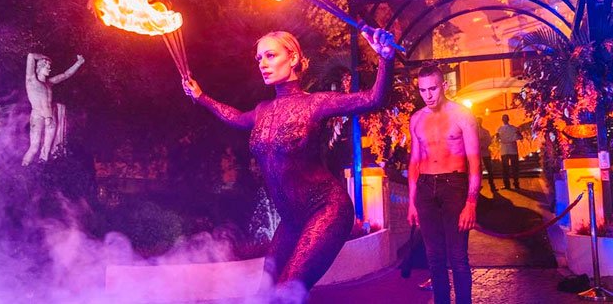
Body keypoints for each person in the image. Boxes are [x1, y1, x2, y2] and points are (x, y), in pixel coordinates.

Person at [182, 28, 395, 298]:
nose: (262, 63)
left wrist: (386, 59)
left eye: (270, 55)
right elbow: (234, 117)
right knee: (265, 292)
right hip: (292, 220)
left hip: (326, 209)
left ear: (293, 58)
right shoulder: (262, 111)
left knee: (284, 293)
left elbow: (373, 98)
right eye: (259, 58)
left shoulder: (316, 104)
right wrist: (200, 97)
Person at [406, 63, 481, 304]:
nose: (428, 95)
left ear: (444, 86)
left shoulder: (462, 115)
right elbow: (415, 162)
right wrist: (412, 202)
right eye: (423, 90)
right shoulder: (416, 119)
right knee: (434, 257)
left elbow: (475, 161)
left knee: (458, 256)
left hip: (454, 185)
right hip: (425, 187)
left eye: (433, 89)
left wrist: (471, 203)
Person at [22, 53, 85, 166]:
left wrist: (78, 63)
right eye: (47, 67)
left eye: (49, 67)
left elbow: (65, 75)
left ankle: (42, 171)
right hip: (37, 116)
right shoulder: (31, 80)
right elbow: (30, 56)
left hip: (50, 117)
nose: (49, 69)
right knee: (34, 147)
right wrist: (44, 57)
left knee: (47, 148)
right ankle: (24, 168)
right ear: (40, 67)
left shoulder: (49, 83)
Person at [496, 114, 522, 189]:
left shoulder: (499, 129)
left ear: (502, 120)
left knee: (505, 169)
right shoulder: (514, 128)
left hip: (505, 150)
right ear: (508, 119)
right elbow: (520, 137)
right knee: (514, 168)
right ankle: (516, 184)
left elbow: (497, 140)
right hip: (513, 150)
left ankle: (507, 185)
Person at [477, 117, 497, 192]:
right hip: (478, 154)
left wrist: (484, 146)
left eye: (479, 121)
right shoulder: (473, 132)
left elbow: (489, 141)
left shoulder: (485, 131)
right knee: (478, 171)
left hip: (485, 153)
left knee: (489, 169)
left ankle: (492, 185)